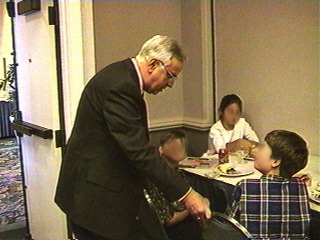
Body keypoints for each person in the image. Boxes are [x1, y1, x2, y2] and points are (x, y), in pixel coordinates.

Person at [54, 35, 211, 240]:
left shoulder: (122, 76)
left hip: (100, 192)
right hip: (93, 200)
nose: (171, 84)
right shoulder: (121, 86)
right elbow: (138, 150)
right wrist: (187, 194)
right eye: (171, 75)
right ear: (154, 64)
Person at [229, 130, 311, 239]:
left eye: (263, 148)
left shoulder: (245, 186)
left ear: (276, 161)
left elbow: (230, 226)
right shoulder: (301, 187)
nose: (257, 151)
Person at [146, 130, 204, 240]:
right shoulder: (157, 177)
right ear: (161, 149)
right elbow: (168, 220)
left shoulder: (178, 173)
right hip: (168, 231)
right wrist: (192, 208)